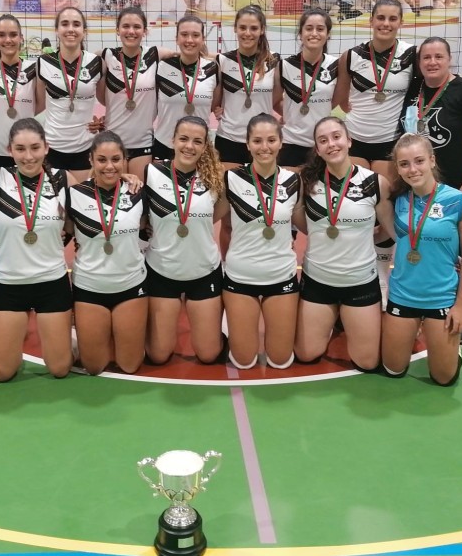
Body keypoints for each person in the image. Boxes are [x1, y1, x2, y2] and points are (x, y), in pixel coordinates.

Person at [402, 36, 462, 344]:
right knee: (424, 246)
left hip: (456, 187)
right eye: (426, 57)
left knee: (454, 253)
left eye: (438, 56)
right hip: (421, 185)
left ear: (449, 59)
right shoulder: (414, 93)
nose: (432, 62)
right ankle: (418, 310)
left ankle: (455, 312)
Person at [292, 116, 394, 372]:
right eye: (323, 140)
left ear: (349, 140)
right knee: (306, 354)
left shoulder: (375, 183)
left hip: (359, 283)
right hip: (318, 282)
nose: (331, 144)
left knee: (367, 362)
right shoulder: (306, 183)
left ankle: (347, 318)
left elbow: (391, 231)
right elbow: (303, 224)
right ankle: (331, 319)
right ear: (317, 149)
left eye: (337, 137)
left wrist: (365, 237)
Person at [334, 0, 417, 300]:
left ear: (400, 23)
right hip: (356, 140)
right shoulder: (351, 56)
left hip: (388, 143)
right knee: (352, 209)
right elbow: (341, 101)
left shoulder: (411, 54)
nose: (385, 24)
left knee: (385, 213)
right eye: (380, 18)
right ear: (371, 21)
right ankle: (350, 272)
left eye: (392, 19)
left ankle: (382, 277)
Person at [380, 133, 462, 386]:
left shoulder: (459, 202)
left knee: (443, 378)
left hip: (441, 298)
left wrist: (461, 305)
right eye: (404, 164)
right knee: (393, 369)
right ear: (398, 169)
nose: (412, 169)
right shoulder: (397, 200)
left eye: (419, 161)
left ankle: (451, 349)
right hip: (403, 295)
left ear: (432, 161)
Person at [0, 118, 73, 380]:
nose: (28, 156)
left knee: (59, 369)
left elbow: (104, 188)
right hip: (10, 283)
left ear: (46, 148)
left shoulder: (63, 179)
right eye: (20, 149)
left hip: (51, 282)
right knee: (2, 372)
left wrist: (128, 176)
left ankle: (79, 340)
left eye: (35, 148)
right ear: (9, 150)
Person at [144, 116, 229, 365]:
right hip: (162, 271)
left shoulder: (215, 177)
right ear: (172, 140)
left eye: (197, 141)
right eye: (183, 139)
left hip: (204, 271)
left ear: (205, 147)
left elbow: (216, 213)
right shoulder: (151, 172)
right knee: (158, 355)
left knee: (208, 354)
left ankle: (216, 335)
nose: (189, 146)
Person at [222, 114, 301, 370]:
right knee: (244, 361)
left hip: (281, 276)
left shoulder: (293, 181)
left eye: (271, 140)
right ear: (247, 144)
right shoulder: (230, 179)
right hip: (239, 277)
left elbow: (307, 223)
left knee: (280, 360)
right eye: (257, 140)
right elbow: (209, 218)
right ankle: (230, 323)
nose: (264, 147)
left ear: (281, 143)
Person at [66, 131, 148, 375]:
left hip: (131, 285)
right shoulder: (74, 195)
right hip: (90, 287)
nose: (109, 166)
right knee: (94, 366)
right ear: (91, 160)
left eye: (116, 159)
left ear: (125, 161)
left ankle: (115, 333)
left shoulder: (138, 193)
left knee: (130, 365)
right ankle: (83, 333)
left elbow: (149, 226)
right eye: (102, 160)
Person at [97, 7, 169, 177]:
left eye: (137, 27)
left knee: (138, 195)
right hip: (111, 143)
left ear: (145, 31)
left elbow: (190, 54)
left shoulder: (155, 54)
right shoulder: (105, 56)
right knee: (111, 197)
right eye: (125, 26)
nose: (131, 31)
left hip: (142, 143)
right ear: (117, 30)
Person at [35, 7, 103, 182]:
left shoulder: (97, 63)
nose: (71, 29)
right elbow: (39, 104)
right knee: (54, 206)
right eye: (64, 24)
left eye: (76, 24)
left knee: (81, 203)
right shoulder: (43, 63)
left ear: (84, 31)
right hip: (52, 147)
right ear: (57, 30)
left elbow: (107, 101)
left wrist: (103, 123)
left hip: (85, 147)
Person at [273, 8, 339, 170]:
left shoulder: (336, 65)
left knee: (320, 193)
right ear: (300, 34)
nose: (314, 33)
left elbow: (337, 99)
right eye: (309, 28)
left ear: (328, 34)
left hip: (323, 144)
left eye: (320, 29)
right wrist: (291, 114)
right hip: (290, 142)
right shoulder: (285, 66)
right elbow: (274, 102)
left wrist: (319, 109)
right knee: (291, 193)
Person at [214, 5, 278, 170]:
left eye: (254, 28)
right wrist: (217, 108)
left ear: (262, 30)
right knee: (227, 192)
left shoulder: (273, 62)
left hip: (261, 140)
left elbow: (277, 99)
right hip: (229, 138)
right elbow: (215, 99)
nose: (247, 33)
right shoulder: (222, 61)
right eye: (242, 27)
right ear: (235, 28)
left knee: (261, 192)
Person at [152, 15, 220, 162]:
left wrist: (221, 110)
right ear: (176, 38)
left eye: (195, 35)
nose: (189, 40)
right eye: (184, 35)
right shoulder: (161, 66)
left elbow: (217, 104)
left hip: (199, 147)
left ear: (203, 39)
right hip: (165, 144)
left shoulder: (213, 69)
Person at [0, 14, 37, 172]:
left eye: (13, 34)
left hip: (25, 150)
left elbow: (39, 105)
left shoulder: (34, 69)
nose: (7, 40)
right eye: (1, 35)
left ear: (21, 37)